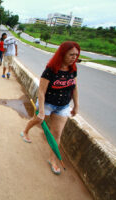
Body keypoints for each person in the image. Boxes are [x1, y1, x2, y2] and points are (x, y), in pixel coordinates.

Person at [20, 41, 80, 175]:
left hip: (63, 106)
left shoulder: (73, 70)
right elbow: (41, 91)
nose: (74, 58)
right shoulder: (51, 70)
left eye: (76, 55)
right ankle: (25, 131)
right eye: (71, 54)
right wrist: (41, 111)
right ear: (62, 54)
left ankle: (52, 159)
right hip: (47, 103)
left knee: (57, 134)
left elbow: (74, 88)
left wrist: (76, 105)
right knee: (37, 120)